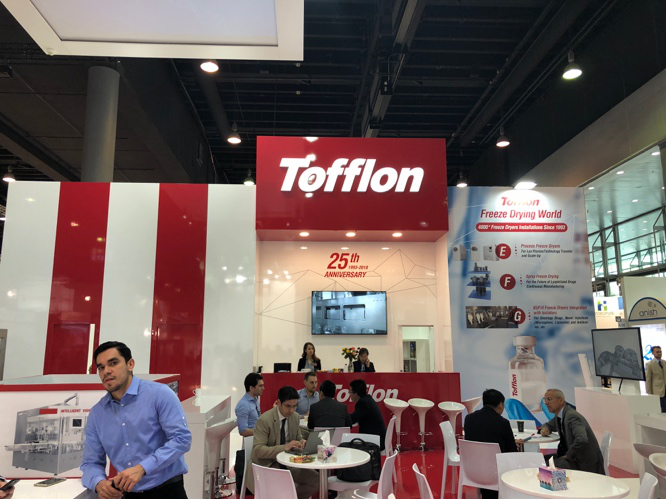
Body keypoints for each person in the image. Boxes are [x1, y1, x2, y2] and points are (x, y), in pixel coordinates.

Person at [81, 341, 192, 499]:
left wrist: (142, 468)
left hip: (168, 491)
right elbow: (90, 462)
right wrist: (99, 483)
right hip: (128, 494)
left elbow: (182, 439)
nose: (106, 371)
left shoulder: (159, 394)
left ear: (130, 364)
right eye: (101, 367)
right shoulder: (97, 413)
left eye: (113, 363)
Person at [249, 386, 318, 499]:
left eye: (294, 406)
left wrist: (302, 442)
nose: (291, 410)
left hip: (289, 462)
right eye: (288, 406)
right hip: (268, 465)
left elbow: (298, 437)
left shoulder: (294, 417)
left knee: (316, 480)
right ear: (278, 402)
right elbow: (258, 450)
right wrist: (284, 447)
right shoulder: (264, 420)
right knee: (282, 485)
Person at [464, 389, 517, 499]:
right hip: (496, 472)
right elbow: (512, 452)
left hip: (472, 470)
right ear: (500, 405)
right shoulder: (503, 423)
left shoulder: (469, 419)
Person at [540, 388, 605, 474]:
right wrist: (545, 429)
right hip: (573, 458)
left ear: (560, 400)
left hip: (583, 463)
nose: (546, 403)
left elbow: (582, 439)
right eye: (545, 399)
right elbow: (547, 425)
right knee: (541, 460)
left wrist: (568, 455)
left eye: (549, 399)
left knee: (544, 463)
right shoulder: (559, 416)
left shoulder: (572, 416)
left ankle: (558, 481)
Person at [349, 379, 385, 450]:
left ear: (355, 394)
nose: (349, 394)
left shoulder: (363, 403)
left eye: (350, 392)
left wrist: (341, 415)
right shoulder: (368, 399)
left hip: (374, 440)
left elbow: (352, 419)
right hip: (378, 436)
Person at [646, 346, 666, 412]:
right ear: (653, 353)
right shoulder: (649, 364)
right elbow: (648, 380)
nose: (659, 353)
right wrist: (649, 394)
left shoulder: (665, 363)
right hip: (657, 392)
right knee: (663, 410)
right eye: (657, 352)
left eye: (660, 352)